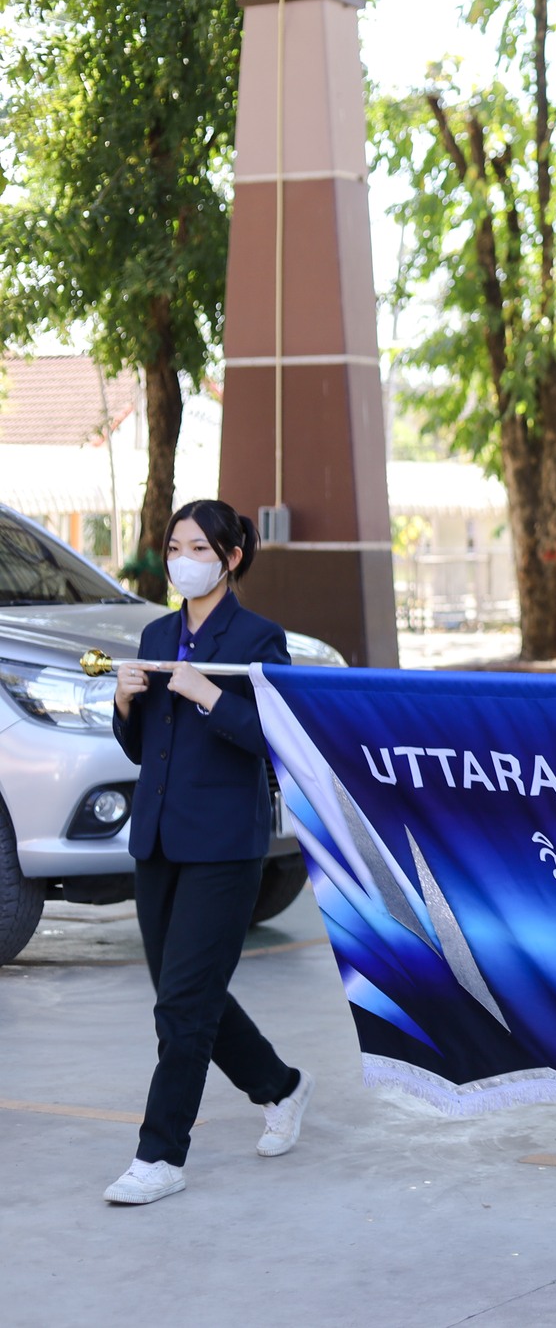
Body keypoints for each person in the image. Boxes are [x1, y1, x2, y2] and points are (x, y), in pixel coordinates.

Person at [103, 500, 312, 1206]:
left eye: (197, 546)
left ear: (231, 557)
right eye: (174, 545)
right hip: (158, 837)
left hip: (225, 843)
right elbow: (143, 749)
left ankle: (160, 1153)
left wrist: (209, 698)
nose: (181, 558)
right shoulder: (158, 630)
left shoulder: (257, 638)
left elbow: (277, 740)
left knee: (184, 1005)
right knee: (183, 996)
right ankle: (281, 1085)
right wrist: (127, 703)